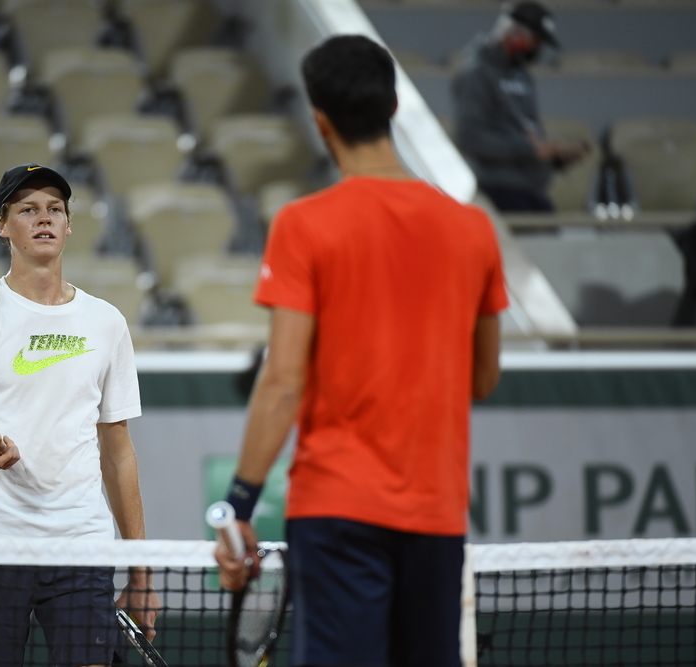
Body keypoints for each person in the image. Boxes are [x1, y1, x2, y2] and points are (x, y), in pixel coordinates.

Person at [214, 35, 508, 667]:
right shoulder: (474, 229)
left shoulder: (303, 224)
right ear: (395, 105)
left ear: (320, 123)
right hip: (436, 516)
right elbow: (483, 379)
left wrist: (239, 503)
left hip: (338, 511)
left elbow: (283, 380)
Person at [0, 163, 159, 666]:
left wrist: (141, 574)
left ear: (68, 225)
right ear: (4, 225)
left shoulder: (107, 323)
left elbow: (119, 456)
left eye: (54, 209)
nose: (43, 218)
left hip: (81, 550)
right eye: (27, 209)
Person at [451, 1, 590, 212]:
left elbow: (526, 132)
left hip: (531, 190)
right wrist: (530, 150)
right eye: (536, 40)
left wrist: (553, 158)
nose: (538, 49)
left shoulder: (522, 75)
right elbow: (470, 137)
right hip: (495, 192)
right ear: (514, 33)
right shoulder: (476, 72)